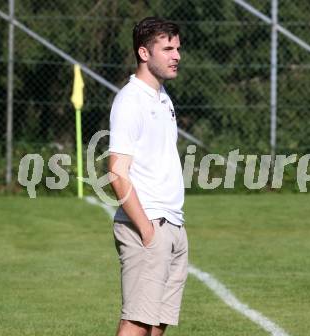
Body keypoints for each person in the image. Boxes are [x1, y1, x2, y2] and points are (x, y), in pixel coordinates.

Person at [108, 17, 188, 336]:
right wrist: (146, 229)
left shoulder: (163, 98)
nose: (176, 55)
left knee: (157, 323)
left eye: (178, 48)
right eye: (167, 48)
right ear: (144, 53)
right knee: (137, 321)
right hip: (148, 224)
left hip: (172, 222)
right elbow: (117, 173)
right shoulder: (131, 100)